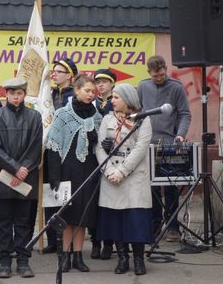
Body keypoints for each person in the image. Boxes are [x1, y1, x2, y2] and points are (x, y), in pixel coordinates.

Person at [46, 74, 102, 273]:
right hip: (67, 170)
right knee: (67, 215)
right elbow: (53, 146)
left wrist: (97, 137)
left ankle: (78, 256)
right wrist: (54, 177)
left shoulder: (96, 115)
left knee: (82, 216)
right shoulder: (63, 114)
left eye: (93, 92)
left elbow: (99, 145)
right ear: (76, 90)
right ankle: (65, 256)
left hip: (88, 170)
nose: (90, 94)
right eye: (87, 90)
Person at [96, 83, 153, 276]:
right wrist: (110, 170)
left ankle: (138, 258)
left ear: (128, 100)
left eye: (116, 97)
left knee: (135, 219)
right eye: (112, 97)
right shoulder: (106, 120)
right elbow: (99, 148)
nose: (112, 101)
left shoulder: (143, 120)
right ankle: (122, 258)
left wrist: (122, 171)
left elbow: (141, 148)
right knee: (116, 219)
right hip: (111, 175)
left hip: (134, 175)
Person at [0, 77, 42, 278]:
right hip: (3, 177)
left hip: (25, 177)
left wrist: (23, 169)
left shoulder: (35, 117)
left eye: (19, 93)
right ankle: (4, 261)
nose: (15, 97)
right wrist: (14, 168)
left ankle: (23, 260)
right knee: (3, 222)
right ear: (6, 94)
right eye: (12, 93)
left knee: (23, 222)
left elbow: (36, 147)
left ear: (25, 94)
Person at [137, 55, 191, 242]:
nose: (159, 78)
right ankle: (154, 224)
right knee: (149, 187)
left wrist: (180, 134)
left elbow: (185, 114)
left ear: (165, 69)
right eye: (155, 76)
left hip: (169, 143)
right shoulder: (143, 86)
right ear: (149, 73)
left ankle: (173, 226)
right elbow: (137, 112)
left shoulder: (176, 87)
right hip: (146, 144)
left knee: (171, 187)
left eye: (161, 74)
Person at [43, 57, 78, 254]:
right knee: (50, 194)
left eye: (59, 71)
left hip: (68, 152)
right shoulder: (48, 94)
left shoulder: (74, 95)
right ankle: (51, 239)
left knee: (66, 196)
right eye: (53, 71)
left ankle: (67, 240)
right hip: (49, 151)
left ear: (70, 75)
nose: (54, 74)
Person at [90, 68, 116, 260]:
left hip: (114, 158)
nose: (100, 85)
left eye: (104, 81)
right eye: (98, 82)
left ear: (112, 84)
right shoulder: (91, 104)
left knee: (109, 203)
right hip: (92, 157)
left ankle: (109, 243)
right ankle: (95, 242)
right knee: (94, 202)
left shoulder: (117, 103)